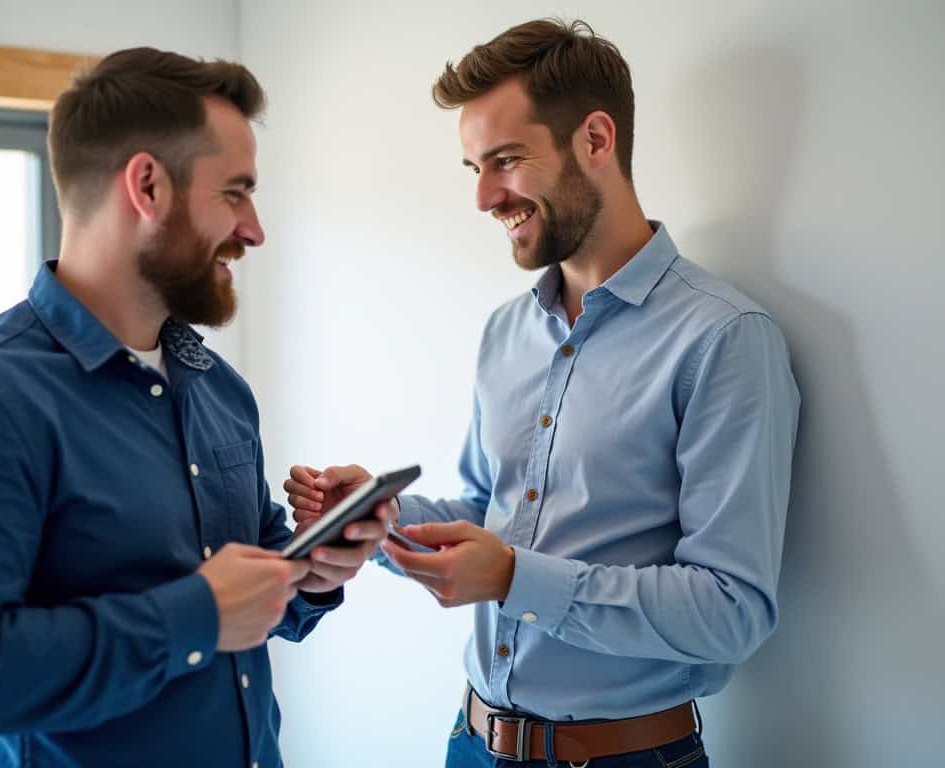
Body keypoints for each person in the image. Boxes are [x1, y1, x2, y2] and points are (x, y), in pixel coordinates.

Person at [284, 19, 800, 767]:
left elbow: (731, 611)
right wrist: (380, 519)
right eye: (474, 169)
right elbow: (487, 513)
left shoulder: (724, 339)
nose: (486, 197)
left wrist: (514, 578)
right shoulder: (505, 333)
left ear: (596, 139)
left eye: (505, 161)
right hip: (471, 742)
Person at [0, 47, 392, 767]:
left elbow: (239, 578)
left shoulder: (218, 388)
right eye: (235, 193)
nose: (254, 230)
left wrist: (311, 569)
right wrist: (198, 615)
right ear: (147, 185)